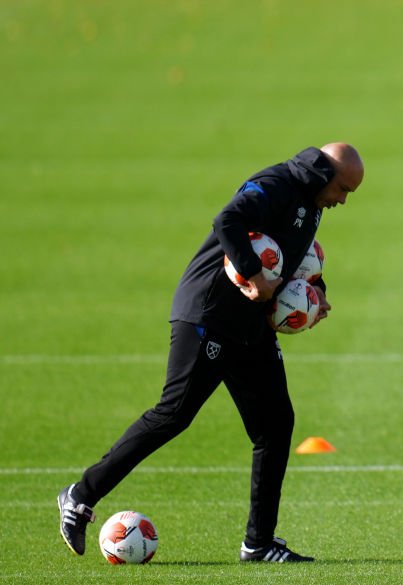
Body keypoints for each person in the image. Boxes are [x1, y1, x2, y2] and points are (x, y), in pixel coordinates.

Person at [58, 143, 365, 563]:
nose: (344, 200)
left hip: (248, 326)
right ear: (324, 174)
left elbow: (294, 257)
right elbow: (229, 220)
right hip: (209, 313)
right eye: (343, 189)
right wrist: (255, 277)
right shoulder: (275, 184)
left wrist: (318, 294)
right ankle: (80, 495)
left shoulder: (312, 204)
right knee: (174, 414)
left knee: (276, 425)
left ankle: (258, 544)